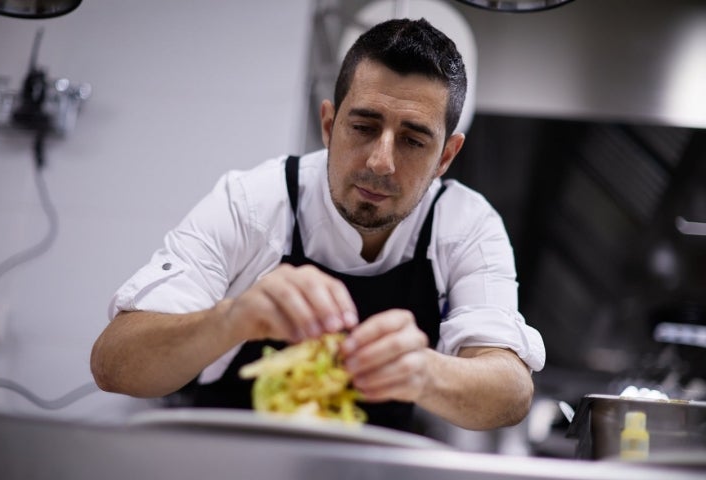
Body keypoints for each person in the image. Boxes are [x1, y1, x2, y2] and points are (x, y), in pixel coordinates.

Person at [91, 18, 545, 433]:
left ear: (446, 156)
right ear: (328, 125)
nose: (381, 162)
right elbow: (113, 362)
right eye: (364, 127)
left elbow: (510, 391)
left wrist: (426, 371)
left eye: (412, 140)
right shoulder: (252, 202)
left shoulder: (465, 225)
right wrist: (229, 320)